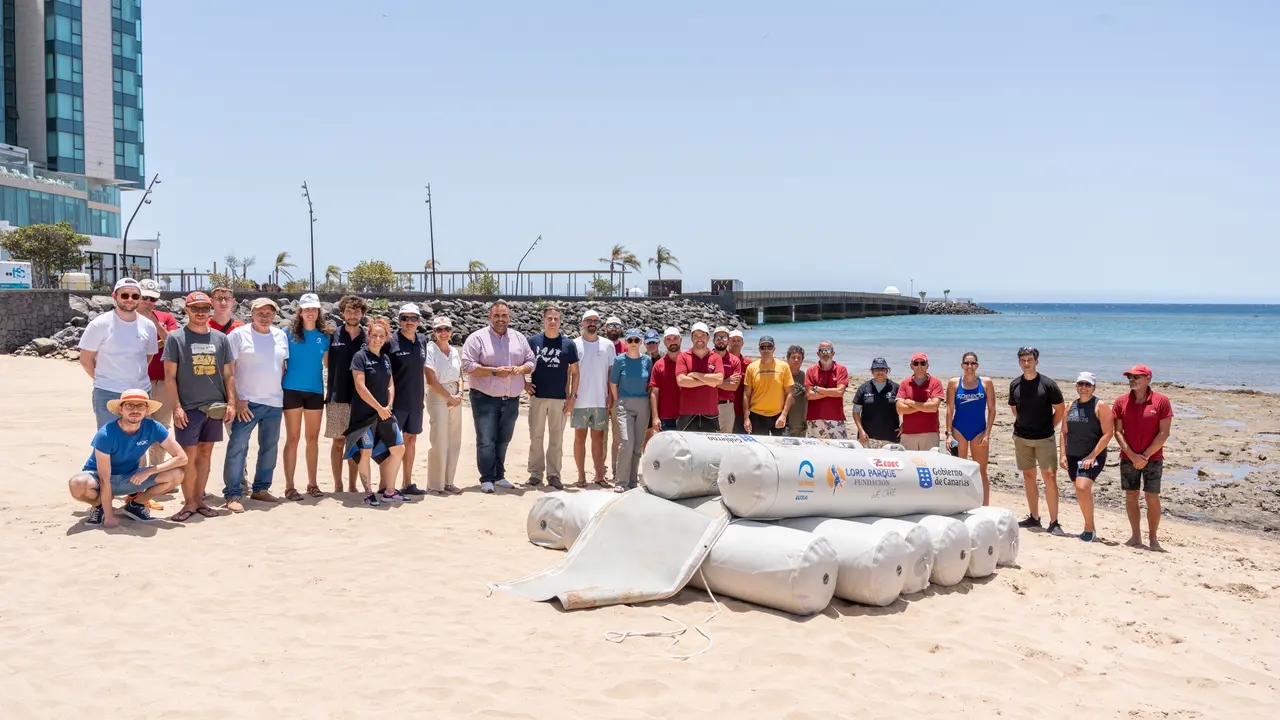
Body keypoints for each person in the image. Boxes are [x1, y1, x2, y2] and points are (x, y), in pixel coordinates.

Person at [163, 291, 236, 522]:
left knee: (205, 454)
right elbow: (169, 377)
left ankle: (199, 500)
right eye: (196, 309)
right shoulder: (175, 338)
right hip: (188, 408)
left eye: (205, 308)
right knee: (188, 457)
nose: (201, 313)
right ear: (187, 310)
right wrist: (176, 407)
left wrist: (231, 403)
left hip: (214, 407)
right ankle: (189, 503)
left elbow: (228, 374)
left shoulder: (221, 339)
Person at [67, 389, 187, 527]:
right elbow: (104, 479)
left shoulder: (153, 427)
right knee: (77, 484)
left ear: (147, 410)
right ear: (121, 409)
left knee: (177, 474)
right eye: (129, 405)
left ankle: (136, 506)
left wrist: (149, 470)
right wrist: (109, 517)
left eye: (140, 406)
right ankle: (99, 506)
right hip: (100, 478)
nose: (135, 410)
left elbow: (182, 457)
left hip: (130, 477)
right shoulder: (106, 434)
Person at [461, 300, 536, 494]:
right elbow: (467, 366)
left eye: (504, 316)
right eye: (497, 315)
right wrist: (494, 371)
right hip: (484, 397)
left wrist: (521, 369)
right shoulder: (477, 338)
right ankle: (487, 478)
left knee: (504, 439)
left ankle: (499, 475)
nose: (500, 319)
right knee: (486, 439)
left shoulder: (518, 337)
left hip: (511, 398)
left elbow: (531, 360)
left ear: (509, 317)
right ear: (490, 317)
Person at [223, 298, 290, 512]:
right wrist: (236, 400)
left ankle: (261, 489)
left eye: (269, 312)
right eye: (260, 312)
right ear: (252, 314)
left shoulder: (280, 335)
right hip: (247, 402)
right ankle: (233, 494)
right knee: (237, 448)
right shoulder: (238, 335)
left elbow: (282, 366)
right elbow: (228, 370)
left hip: (274, 402)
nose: (265, 316)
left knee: (269, 448)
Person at [77, 278, 158, 430]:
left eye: (134, 296)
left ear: (139, 298)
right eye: (124, 295)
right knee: (108, 445)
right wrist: (105, 380)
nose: (129, 299)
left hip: (140, 394)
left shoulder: (148, 326)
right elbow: (86, 360)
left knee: (138, 444)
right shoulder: (99, 324)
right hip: (108, 393)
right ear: (114, 296)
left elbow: (148, 357)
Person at [344, 318, 409, 505]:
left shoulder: (385, 358)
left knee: (398, 449)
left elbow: (390, 384)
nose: (377, 339)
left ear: (386, 338)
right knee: (366, 451)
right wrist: (378, 408)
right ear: (368, 336)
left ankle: (389, 491)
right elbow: (360, 387)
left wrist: (388, 405)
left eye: (381, 336)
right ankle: (368, 492)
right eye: (374, 335)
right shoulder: (360, 357)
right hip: (364, 415)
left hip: (385, 413)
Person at [1112, 364, 1174, 550]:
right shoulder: (1121, 401)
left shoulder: (1161, 401)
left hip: (1153, 458)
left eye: (1137, 377)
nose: (1132, 380)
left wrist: (1145, 456)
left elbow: (1164, 433)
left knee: (1152, 497)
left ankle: (1153, 538)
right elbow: (1117, 431)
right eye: (1130, 377)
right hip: (1128, 457)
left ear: (1148, 379)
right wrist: (1132, 455)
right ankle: (1135, 536)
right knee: (1131, 495)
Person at [1009, 346, 1066, 534]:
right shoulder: (1015, 384)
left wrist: (1049, 427)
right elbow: (1015, 409)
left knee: (1049, 477)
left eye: (1030, 360)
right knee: (1028, 477)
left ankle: (1054, 521)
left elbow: (1060, 409)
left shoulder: (1048, 384)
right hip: (1022, 437)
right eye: (1023, 360)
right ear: (1019, 362)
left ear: (1036, 361)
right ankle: (1034, 517)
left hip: (1044, 438)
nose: (1026, 363)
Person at [280, 293, 331, 501]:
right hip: (291, 390)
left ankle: (312, 483)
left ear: (318, 312)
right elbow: (280, 363)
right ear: (300, 312)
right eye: (306, 309)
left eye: (314, 309)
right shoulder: (286, 333)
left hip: (315, 392)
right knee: (293, 438)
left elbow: (328, 364)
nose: (310, 312)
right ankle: (290, 486)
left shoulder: (324, 335)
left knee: (312, 439)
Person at [525, 305, 579, 490]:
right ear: (543, 319)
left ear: (560, 320)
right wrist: (524, 384)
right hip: (538, 397)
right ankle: (535, 473)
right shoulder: (533, 342)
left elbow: (575, 373)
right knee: (536, 437)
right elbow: (520, 364)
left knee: (556, 439)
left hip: (559, 399)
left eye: (556, 318)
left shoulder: (568, 345)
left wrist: (572, 397)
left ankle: (554, 474)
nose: (553, 322)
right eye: (550, 318)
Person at [1061, 372, 1114, 543]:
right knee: (1079, 490)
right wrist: (1062, 454)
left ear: (1093, 387)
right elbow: (1063, 432)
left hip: (1092, 455)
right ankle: (1090, 525)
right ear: (1076, 386)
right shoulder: (1070, 406)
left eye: (1087, 385)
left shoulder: (1100, 405)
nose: (1084, 387)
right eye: (1080, 384)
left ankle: (1089, 529)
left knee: (1083, 487)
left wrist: (1092, 456)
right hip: (1072, 455)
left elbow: (1108, 433)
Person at [325, 295, 367, 493]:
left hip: (361, 400)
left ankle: (352, 485)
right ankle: (338, 485)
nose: (352, 315)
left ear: (362, 314)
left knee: (356, 443)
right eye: (349, 311)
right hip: (336, 396)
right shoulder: (332, 335)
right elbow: (326, 362)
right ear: (342, 313)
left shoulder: (367, 337)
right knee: (338, 442)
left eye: (356, 311)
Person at [136, 278, 178, 470]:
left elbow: (172, 342)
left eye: (152, 299)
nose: (148, 302)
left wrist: (154, 321)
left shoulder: (166, 317)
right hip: (136, 382)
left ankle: (155, 472)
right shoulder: (127, 318)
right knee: (136, 429)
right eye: (144, 297)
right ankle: (136, 473)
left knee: (160, 429)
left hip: (162, 382)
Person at [571, 309, 616, 487]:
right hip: (579, 401)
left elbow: (611, 373)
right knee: (579, 438)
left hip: (601, 400)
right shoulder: (573, 344)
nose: (592, 323)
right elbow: (570, 373)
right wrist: (570, 397)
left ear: (599, 325)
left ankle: (599, 475)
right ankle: (581, 476)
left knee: (598, 439)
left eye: (595, 321)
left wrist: (611, 396)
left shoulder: (607, 345)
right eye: (588, 320)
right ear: (582, 323)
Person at [946, 352, 997, 505]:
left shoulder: (986, 383)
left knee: (981, 473)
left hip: (979, 431)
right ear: (962, 365)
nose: (969, 367)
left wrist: (987, 433)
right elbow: (949, 409)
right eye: (966, 363)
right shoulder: (954, 383)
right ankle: (960, 505)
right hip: (959, 430)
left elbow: (992, 410)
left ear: (977, 365)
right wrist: (948, 434)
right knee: (960, 471)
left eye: (973, 363)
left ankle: (984, 507)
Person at [389, 303, 428, 496]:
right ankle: (387, 484)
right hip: (396, 402)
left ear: (419, 321)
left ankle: (407, 482)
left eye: (413, 318)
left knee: (411, 440)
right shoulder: (391, 341)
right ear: (399, 321)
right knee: (394, 444)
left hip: (416, 401)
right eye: (405, 318)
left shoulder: (422, 340)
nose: (409, 322)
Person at [609, 328, 652, 492]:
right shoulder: (619, 360)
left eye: (636, 340)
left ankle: (633, 482)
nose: (633, 343)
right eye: (630, 340)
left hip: (643, 403)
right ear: (625, 342)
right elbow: (613, 383)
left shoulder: (647, 360)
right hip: (624, 404)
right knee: (626, 442)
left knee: (637, 444)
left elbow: (649, 382)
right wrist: (617, 400)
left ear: (641, 342)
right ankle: (621, 482)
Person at [425, 316, 464, 495]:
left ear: (451, 332)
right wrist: (449, 396)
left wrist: (460, 394)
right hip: (438, 394)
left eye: (446, 329)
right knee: (439, 439)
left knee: (454, 440)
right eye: (439, 329)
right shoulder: (430, 350)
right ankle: (435, 484)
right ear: (434, 332)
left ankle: (449, 481)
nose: (443, 333)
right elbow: (431, 379)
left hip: (455, 395)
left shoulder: (454, 351)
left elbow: (461, 376)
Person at [675, 322, 724, 432]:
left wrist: (695, 375)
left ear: (708, 337)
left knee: (710, 448)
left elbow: (719, 380)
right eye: (696, 336)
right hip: (687, 413)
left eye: (702, 335)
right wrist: (709, 381)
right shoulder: (683, 357)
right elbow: (682, 381)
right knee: (686, 448)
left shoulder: (716, 358)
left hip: (710, 413)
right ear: (691, 338)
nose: (699, 338)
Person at [743, 335, 793, 436]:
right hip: (757, 416)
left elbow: (789, 393)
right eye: (763, 347)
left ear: (774, 349)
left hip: (778, 415)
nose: (766, 350)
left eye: (769, 347)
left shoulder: (784, 366)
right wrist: (746, 418)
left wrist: (784, 415)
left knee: (782, 447)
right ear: (759, 349)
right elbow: (746, 394)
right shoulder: (751, 367)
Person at [895, 352, 944, 451]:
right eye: (916, 363)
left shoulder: (935, 383)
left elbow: (933, 408)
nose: (919, 366)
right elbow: (900, 410)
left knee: (930, 464)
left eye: (922, 363)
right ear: (911, 366)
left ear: (927, 365)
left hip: (930, 433)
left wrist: (910, 402)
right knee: (909, 465)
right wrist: (925, 406)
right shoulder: (905, 384)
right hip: (908, 433)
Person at [805, 341, 850, 438]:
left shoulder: (841, 370)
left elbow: (839, 392)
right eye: (822, 350)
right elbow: (809, 395)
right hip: (814, 418)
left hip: (835, 417)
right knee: (815, 450)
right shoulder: (811, 371)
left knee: (839, 449)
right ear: (818, 353)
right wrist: (831, 392)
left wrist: (819, 389)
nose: (825, 353)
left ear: (833, 353)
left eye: (828, 350)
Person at [853, 358, 901, 448]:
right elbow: (855, 412)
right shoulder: (864, 388)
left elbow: (906, 408)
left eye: (883, 369)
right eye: (876, 369)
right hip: (867, 438)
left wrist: (904, 425)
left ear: (887, 371)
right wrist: (861, 431)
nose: (880, 372)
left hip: (890, 438)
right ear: (872, 371)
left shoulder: (896, 388)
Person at [602, 316, 625, 477]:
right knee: (601, 436)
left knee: (618, 437)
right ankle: (600, 470)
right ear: (605, 328)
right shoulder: (601, 346)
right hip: (601, 397)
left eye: (617, 326)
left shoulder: (626, 347)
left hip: (620, 398)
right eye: (611, 325)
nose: (614, 328)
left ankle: (617, 471)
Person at [648, 327, 683, 434]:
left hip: (686, 416)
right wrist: (655, 417)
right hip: (665, 417)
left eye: (675, 338)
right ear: (664, 342)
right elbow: (654, 393)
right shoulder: (658, 365)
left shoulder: (689, 361)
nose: (672, 342)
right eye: (669, 339)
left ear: (680, 340)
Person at [712, 327, 743, 433]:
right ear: (713, 340)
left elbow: (734, 386)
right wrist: (726, 381)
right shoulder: (706, 357)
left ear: (728, 340)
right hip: (708, 405)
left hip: (727, 407)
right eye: (718, 337)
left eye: (724, 337)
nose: (721, 340)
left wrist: (712, 381)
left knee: (726, 440)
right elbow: (701, 384)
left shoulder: (734, 361)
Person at [642, 328, 663, 450]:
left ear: (659, 343)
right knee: (647, 434)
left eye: (654, 342)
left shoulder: (664, 358)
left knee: (662, 434)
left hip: (662, 399)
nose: (652, 345)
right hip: (646, 400)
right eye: (649, 343)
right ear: (644, 343)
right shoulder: (641, 358)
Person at [727, 329, 748, 433]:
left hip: (741, 412)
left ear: (742, 343)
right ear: (727, 342)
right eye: (733, 340)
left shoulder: (748, 364)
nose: (736, 343)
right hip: (722, 410)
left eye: (738, 340)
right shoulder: (719, 360)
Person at [785, 345, 808, 436]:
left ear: (802, 360)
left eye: (799, 358)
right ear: (788, 359)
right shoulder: (782, 375)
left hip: (800, 424)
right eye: (793, 357)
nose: (796, 360)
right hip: (784, 423)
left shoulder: (805, 377)